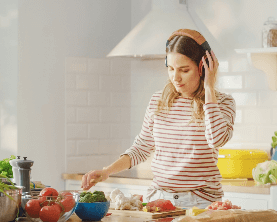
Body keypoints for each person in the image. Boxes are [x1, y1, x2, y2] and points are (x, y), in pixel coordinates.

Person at [81, 29, 236, 209]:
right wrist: (107, 171)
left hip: (201, 202)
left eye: (184, 70)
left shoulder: (223, 102)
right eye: (170, 69)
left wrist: (209, 88)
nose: (175, 78)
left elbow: (216, 139)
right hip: (158, 199)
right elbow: (142, 146)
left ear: (203, 67)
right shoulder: (158, 100)